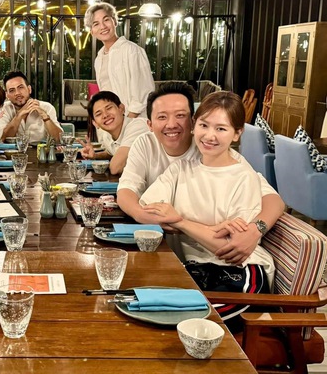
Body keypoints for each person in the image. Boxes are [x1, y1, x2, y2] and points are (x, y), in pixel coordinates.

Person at [139, 91, 274, 329]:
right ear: (194, 126)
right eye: (204, 125)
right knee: (148, 310)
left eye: (221, 129)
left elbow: (230, 249)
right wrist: (212, 229)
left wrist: (180, 221)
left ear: (237, 133)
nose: (210, 136)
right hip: (197, 270)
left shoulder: (244, 177)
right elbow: (148, 209)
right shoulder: (181, 168)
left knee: (183, 324)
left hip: (242, 275)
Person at [117, 81, 284, 265]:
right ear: (150, 124)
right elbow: (128, 189)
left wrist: (256, 229)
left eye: (180, 115)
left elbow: (273, 200)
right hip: (185, 259)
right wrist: (142, 215)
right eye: (162, 117)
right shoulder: (173, 162)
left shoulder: (227, 159)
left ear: (191, 121)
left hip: (230, 268)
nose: (171, 124)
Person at [85, 2, 154, 118]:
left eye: (106, 20)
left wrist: (127, 121)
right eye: (96, 24)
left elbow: (144, 92)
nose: (103, 26)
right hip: (112, 120)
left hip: (134, 120)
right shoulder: (99, 59)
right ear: (92, 31)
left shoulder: (132, 50)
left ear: (114, 21)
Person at [80, 91, 149, 175]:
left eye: (109, 108)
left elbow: (115, 168)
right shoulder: (107, 135)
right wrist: (95, 156)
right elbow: (112, 152)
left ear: (121, 108)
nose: (105, 115)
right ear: (95, 123)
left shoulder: (137, 126)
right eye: (99, 114)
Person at [0, 71, 63, 143]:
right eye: (12, 90)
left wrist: (45, 116)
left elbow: (59, 140)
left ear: (29, 89)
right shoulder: (4, 109)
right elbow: (2, 139)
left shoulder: (47, 107)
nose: (17, 93)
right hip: (14, 150)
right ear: (7, 95)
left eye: (21, 87)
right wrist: (19, 115)